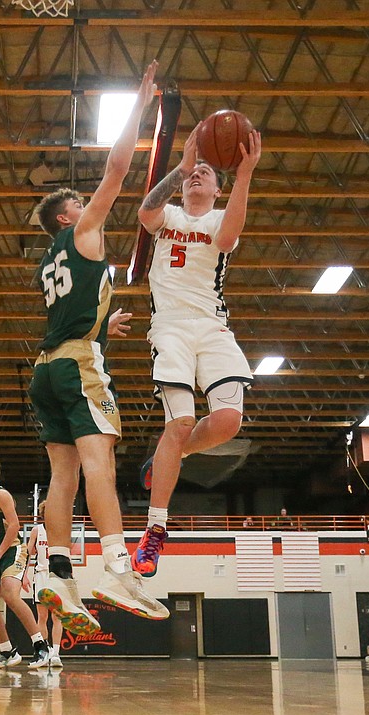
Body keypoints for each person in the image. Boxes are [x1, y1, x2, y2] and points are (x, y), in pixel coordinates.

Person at [27, 60, 169, 634]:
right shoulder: (82, 232)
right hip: (78, 367)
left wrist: (106, 324)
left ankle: (56, 573)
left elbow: (69, 315)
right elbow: (117, 166)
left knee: (63, 476)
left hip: (47, 369)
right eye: (81, 202)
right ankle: (115, 566)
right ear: (67, 214)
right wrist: (140, 102)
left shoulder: (52, 259)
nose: (93, 203)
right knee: (99, 462)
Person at [132, 118, 262, 578]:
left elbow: (227, 237)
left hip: (212, 326)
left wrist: (245, 174)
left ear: (217, 188)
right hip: (169, 327)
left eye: (205, 172)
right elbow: (146, 211)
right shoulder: (169, 216)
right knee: (182, 420)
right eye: (193, 172)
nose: (196, 176)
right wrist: (178, 166)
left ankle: (174, 452)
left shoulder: (218, 221)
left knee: (227, 422)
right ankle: (154, 530)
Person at [0, 460, 50, 669]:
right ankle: (7, 651)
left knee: (10, 595)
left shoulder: (2, 495)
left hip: (13, 551)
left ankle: (41, 645)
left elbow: (14, 525)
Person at [25, 507, 64, 668]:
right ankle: (44, 651)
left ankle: (56, 654)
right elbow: (27, 553)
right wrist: (23, 575)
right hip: (41, 574)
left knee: (57, 617)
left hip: (57, 575)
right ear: (42, 514)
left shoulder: (61, 529)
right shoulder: (36, 530)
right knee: (42, 617)